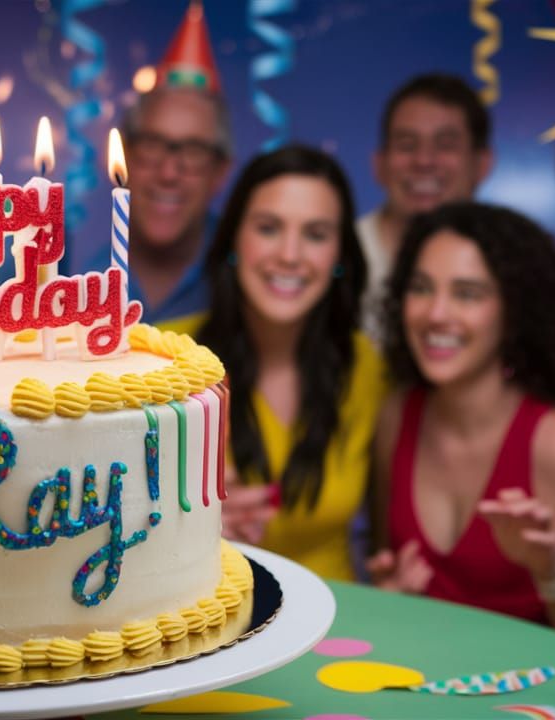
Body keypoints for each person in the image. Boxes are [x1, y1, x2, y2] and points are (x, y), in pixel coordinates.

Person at [368, 202, 555, 645]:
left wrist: (551, 567)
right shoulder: (396, 416)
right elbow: (386, 568)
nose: (436, 314)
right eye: (421, 288)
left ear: (513, 312)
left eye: (467, 294)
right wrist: (388, 595)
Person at [193, 145, 386, 581]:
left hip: (342, 626)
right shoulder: (163, 359)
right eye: (268, 228)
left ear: (339, 256)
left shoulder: (368, 366)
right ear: (233, 240)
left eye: (316, 234)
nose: (290, 254)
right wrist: (183, 531)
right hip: (211, 619)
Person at [118, 2, 232, 328]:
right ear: (125, 154)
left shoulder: (251, 287)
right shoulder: (78, 284)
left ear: (220, 172)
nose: (168, 173)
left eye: (193, 151)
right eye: (152, 145)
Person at [358, 74, 493, 340]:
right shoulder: (335, 258)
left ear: (482, 164)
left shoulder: (507, 267)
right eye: (406, 145)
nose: (424, 160)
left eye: (445, 145)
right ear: (379, 164)